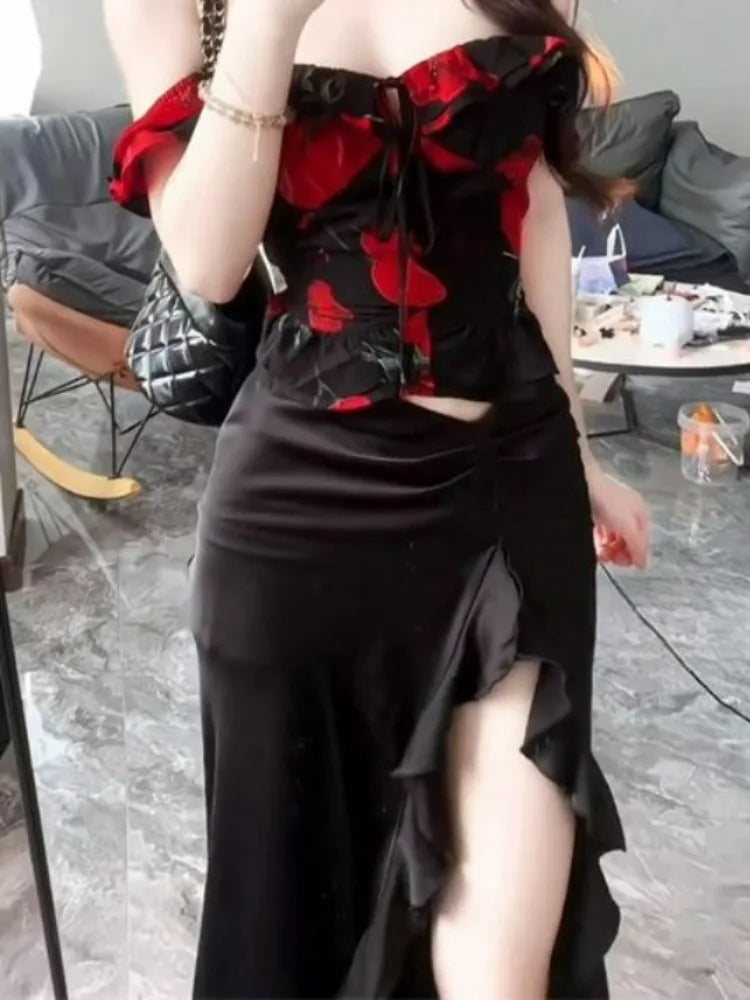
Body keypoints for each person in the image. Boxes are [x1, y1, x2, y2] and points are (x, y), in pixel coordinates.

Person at [106, 0, 650, 996]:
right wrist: (268, 23)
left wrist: (581, 455)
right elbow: (210, 262)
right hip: (301, 516)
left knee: (505, 967)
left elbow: (530, 197)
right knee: (295, 929)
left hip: (510, 484)